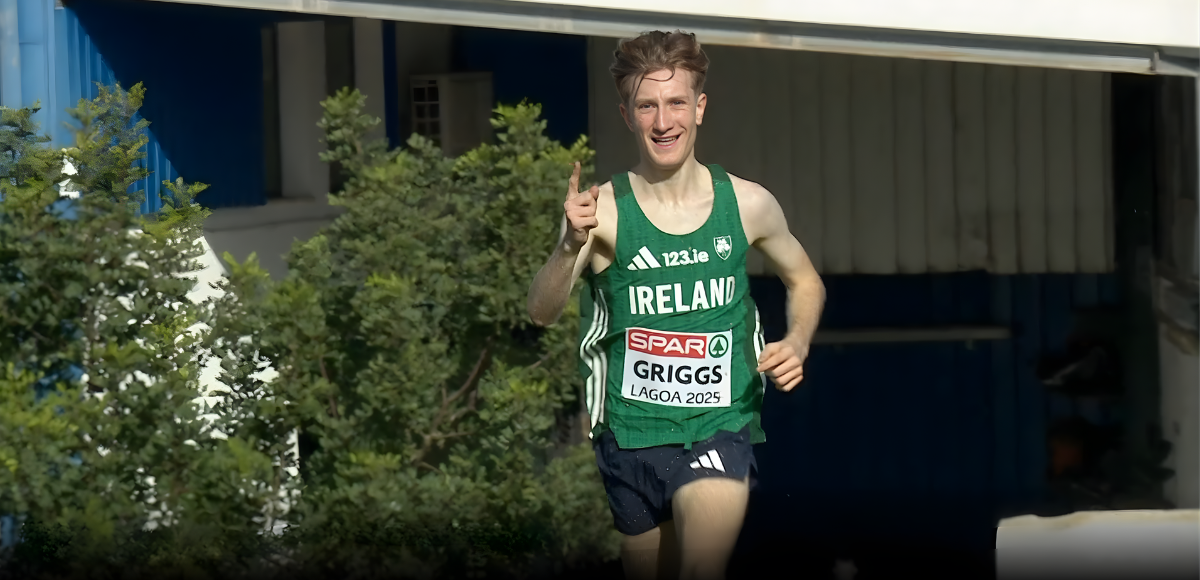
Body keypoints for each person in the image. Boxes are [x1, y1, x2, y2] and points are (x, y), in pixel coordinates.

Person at [526, 30, 825, 580]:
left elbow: (805, 281)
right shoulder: (602, 211)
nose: (663, 121)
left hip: (718, 427)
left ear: (700, 107)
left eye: (676, 103)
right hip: (628, 435)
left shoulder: (748, 204)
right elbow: (541, 311)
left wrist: (798, 341)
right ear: (627, 115)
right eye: (647, 106)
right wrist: (568, 247)